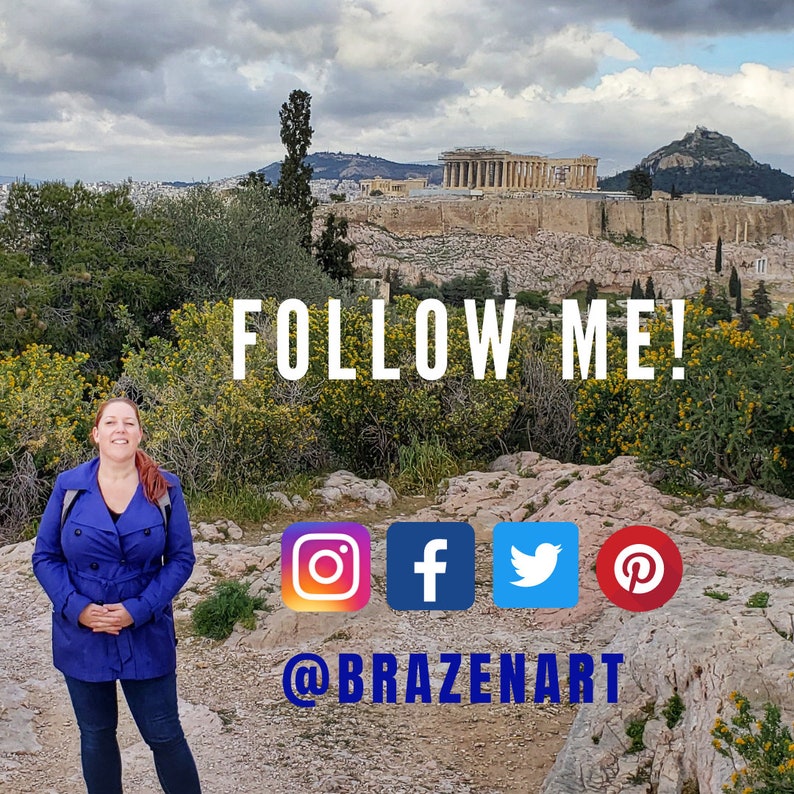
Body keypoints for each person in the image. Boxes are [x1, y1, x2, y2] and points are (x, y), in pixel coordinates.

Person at [32, 397, 202, 794]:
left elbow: (180, 559)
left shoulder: (165, 487)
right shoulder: (68, 487)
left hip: (145, 629)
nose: (120, 429)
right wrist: (79, 609)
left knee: (164, 735)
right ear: (96, 434)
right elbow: (44, 556)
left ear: (140, 433)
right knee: (96, 735)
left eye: (129, 422)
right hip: (82, 633)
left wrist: (137, 610)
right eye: (111, 422)